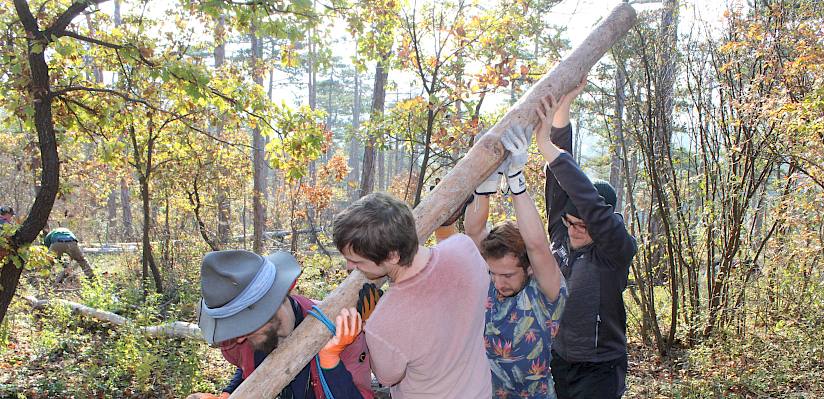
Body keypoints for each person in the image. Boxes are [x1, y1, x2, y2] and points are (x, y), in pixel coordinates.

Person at [332, 192, 492, 398]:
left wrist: (370, 325)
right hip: (479, 391)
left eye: (358, 261)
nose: (349, 267)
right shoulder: (464, 247)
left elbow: (387, 377)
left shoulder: (383, 322)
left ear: (392, 256)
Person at [538, 80, 638, 399]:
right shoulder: (561, 232)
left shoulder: (615, 251)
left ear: (603, 220)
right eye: (570, 220)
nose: (574, 227)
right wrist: (561, 113)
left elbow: (590, 205)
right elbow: (559, 187)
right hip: (558, 360)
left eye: (585, 223)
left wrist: (546, 149)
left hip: (601, 369)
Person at [464, 124, 567, 398]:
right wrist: (484, 184)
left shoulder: (545, 292)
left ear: (528, 268)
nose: (498, 282)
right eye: (493, 273)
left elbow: (537, 246)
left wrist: (516, 181)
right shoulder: (492, 277)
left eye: (508, 275)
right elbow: (474, 231)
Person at [189, 249, 375, 399]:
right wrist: (229, 393)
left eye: (244, 326)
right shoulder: (245, 340)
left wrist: (330, 362)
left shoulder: (342, 333)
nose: (238, 339)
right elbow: (247, 365)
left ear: (273, 305)